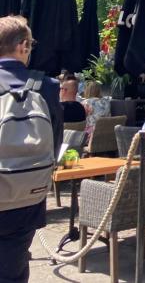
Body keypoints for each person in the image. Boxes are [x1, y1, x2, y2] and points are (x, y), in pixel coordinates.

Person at [0, 15, 62, 283]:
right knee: (13, 271)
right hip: (28, 199)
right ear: (23, 46)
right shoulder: (47, 86)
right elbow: (55, 142)